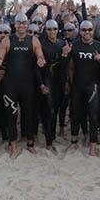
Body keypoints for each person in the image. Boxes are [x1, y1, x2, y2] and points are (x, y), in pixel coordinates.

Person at [0, 12, 46, 158]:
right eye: (19, 23)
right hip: (11, 84)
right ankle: (13, 145)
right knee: (11, 115)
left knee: (28, 114)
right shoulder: (7, 40)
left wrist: (41, 60)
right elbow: (0, 55)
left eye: (24, 22)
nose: (22, 25)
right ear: (14, 24)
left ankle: (30, 143)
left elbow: (40, 55)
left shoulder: (34, 40)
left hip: (28, 85)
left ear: (28, 23)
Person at [66, 20, 100, 157]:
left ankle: (92, 146)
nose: (87, 32)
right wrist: (69, 83)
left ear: (93, 30)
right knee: (75, 115)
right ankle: (73, 141)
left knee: (93, 116)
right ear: (80, 30)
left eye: (89, 30)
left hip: (93, 86)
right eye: (84, 30)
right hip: (77, 86)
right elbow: (70, 67)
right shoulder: (75, 46)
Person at [37, 19, 70, 152]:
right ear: (46, 31)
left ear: (58, 30)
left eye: (55, 29)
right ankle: (49, 143)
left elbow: (64, 66)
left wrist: (65, 54)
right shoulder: (42, 45)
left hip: (59, 80)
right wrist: (41, 84)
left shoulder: (62, 43)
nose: (52, 32)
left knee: (55, 109)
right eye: (49, 29)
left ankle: (51, 133)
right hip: (47, 78)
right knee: (49, 110)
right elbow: (38, 68)